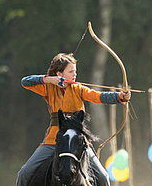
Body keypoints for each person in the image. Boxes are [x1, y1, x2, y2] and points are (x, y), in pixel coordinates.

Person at [16, 53, 131, 186]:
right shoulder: (48, 87)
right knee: (24, 173)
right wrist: (48, 80)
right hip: (54, 139)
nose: (74, 74)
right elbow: (25, 82)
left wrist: (120, 97)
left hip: (77, 141)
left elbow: (98, 96)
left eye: (75, 71)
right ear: (59, 73)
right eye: (71, 71)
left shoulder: (78, 88)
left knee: (103, 177)